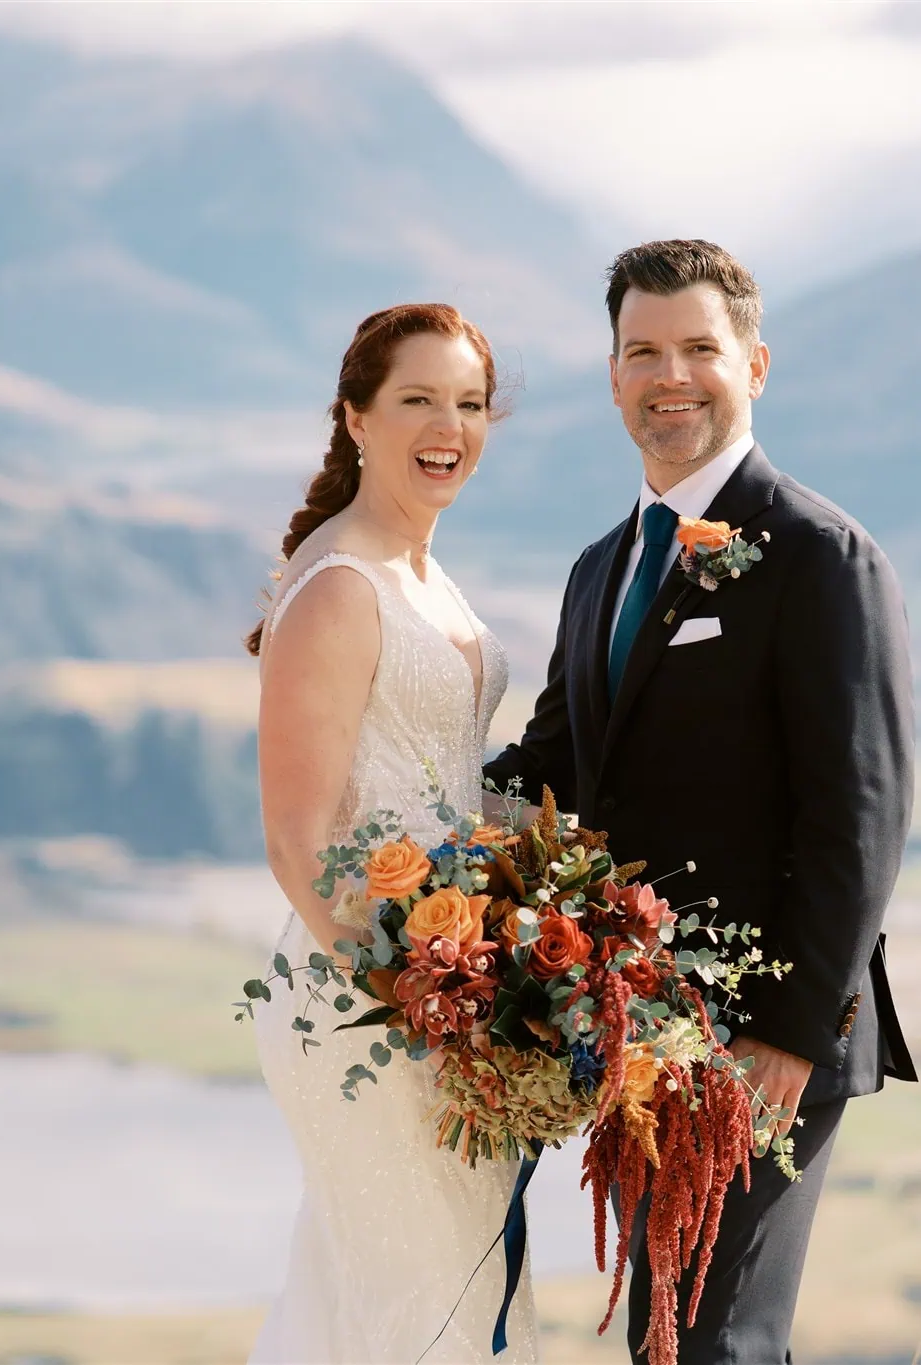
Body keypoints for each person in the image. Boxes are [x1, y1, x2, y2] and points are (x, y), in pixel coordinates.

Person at [486, 240, 917, 1364]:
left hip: (765, 1040)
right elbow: (554, 769)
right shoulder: (599, 568)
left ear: (754, 365)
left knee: (712, 1344)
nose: (668, 375)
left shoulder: (821, 555)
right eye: (642, 351)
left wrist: (787, 1034)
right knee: (666, 1340)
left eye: (698, 349)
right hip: (635, 1026)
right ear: (612, 375)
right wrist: (401, 823)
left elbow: (859, 815)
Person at [247, 302, 536, 1362]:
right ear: (356, 417)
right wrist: (419, 1006)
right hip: (367, 1010)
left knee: (437, 1301)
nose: (447, 427)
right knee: (418, 1308)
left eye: (469, 403)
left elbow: (442, 783)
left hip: (445, 991)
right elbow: (296, 840)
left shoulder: (417, 565)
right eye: (417, 399)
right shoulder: (339, 587)